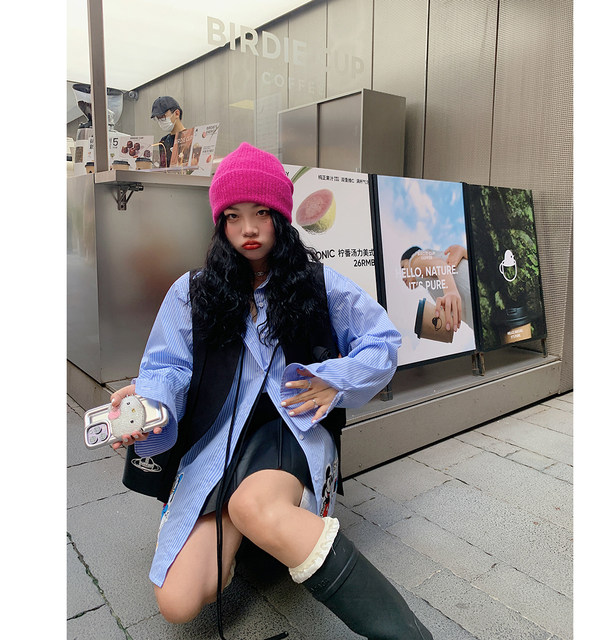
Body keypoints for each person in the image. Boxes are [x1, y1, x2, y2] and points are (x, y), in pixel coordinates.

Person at [109, 142, 434, 640]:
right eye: (233, 216)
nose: (248, 229)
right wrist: (149, 407)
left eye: (261, 213)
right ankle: (243, 535)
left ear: (280, 216)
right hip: (217, 436)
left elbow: (383, 343)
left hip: (290, 429)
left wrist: (336, 379)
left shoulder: (317, 283)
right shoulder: (193, 291)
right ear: (220, 223)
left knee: (251, 505)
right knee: (177, 602)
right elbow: (166, 367)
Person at [401, 244, 472, 335]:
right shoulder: (432, 286)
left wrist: (450, 291)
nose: (403, 277)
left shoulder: (414, 262)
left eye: (403, 267)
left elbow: (439, 265)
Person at [151, 96, 186, 168]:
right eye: (157, 119)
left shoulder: (190, 136)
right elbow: (164, 169)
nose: (160, 122)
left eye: (163, 117)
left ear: (177, 113)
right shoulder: (163, 142)